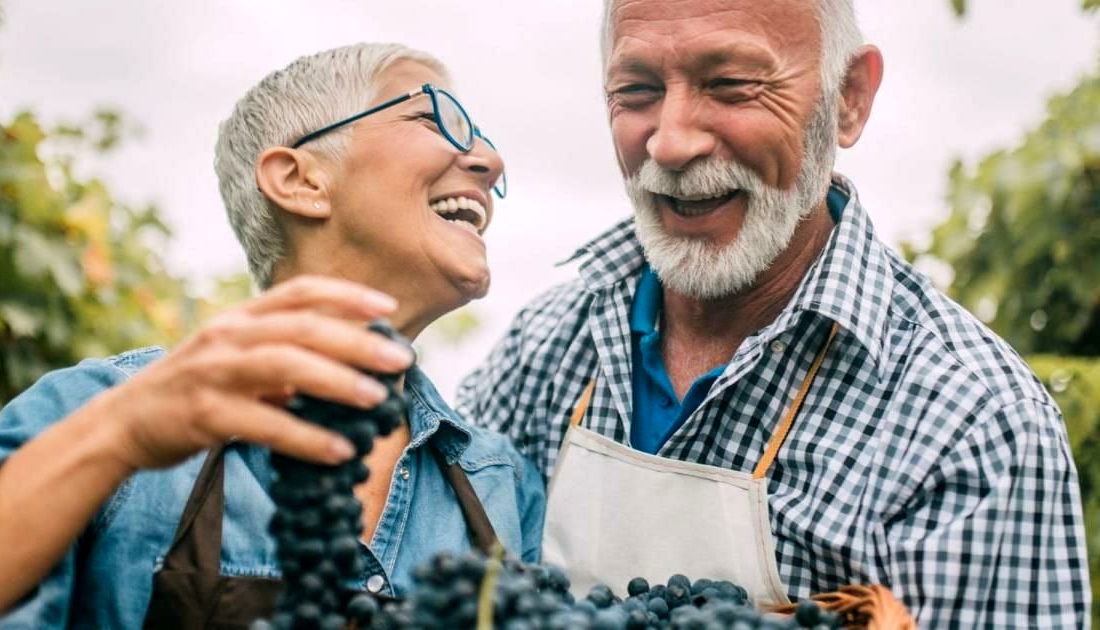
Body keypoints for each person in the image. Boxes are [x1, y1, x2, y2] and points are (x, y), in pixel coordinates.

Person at [455, 0, 1089, 626]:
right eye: (637, 89)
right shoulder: (547, 343)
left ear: (849, 99)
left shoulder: (976, 425)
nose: (671, 143)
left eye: (731, 85)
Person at [0, 43, 543, 629]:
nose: (489, 161)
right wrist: (117, 436)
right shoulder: (95, 411)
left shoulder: (501, 484)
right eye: (435, 120)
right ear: (299, 179)